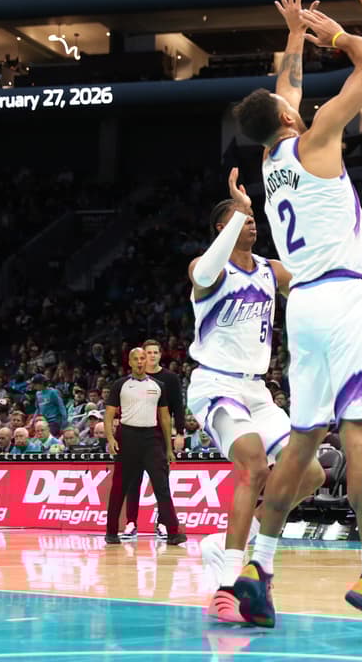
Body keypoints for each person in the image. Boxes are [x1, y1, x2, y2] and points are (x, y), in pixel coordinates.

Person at [231, 0, 362, 638]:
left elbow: (283, 90)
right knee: (361, 437)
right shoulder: (320, 133)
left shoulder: (271, 161)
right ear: (288, 117)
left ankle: (259, 570)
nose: (295, 103)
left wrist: (293, 36)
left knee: (303, 443)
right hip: (348, 299)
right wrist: (333, 33)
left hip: (300, 308)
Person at [186, 158, 324, 617]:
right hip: (214, 385)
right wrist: (241, 208)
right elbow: (204, 273)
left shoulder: (269, 269)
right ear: (222, 227)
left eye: (253, 219)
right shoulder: (208, 271)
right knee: (251, 464)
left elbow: (313, 284)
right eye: (242, 219)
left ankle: (232, 542)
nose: (252, 225)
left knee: (311, 475)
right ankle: (226, 587)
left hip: (257, 390)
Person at [104, 348, 185, 546]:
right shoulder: (120, 385)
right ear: (130, 362)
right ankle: (111, 531)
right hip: (127, 437)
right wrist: (110, 438)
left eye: (143, 358)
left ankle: (173, 532)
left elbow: (165, 418)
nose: (140, 362)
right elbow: (108, 415)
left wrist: (168, 447)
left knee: (162, 486)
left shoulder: (158, 385)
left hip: (152, 439)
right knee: (119, 487)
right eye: (136, 359)